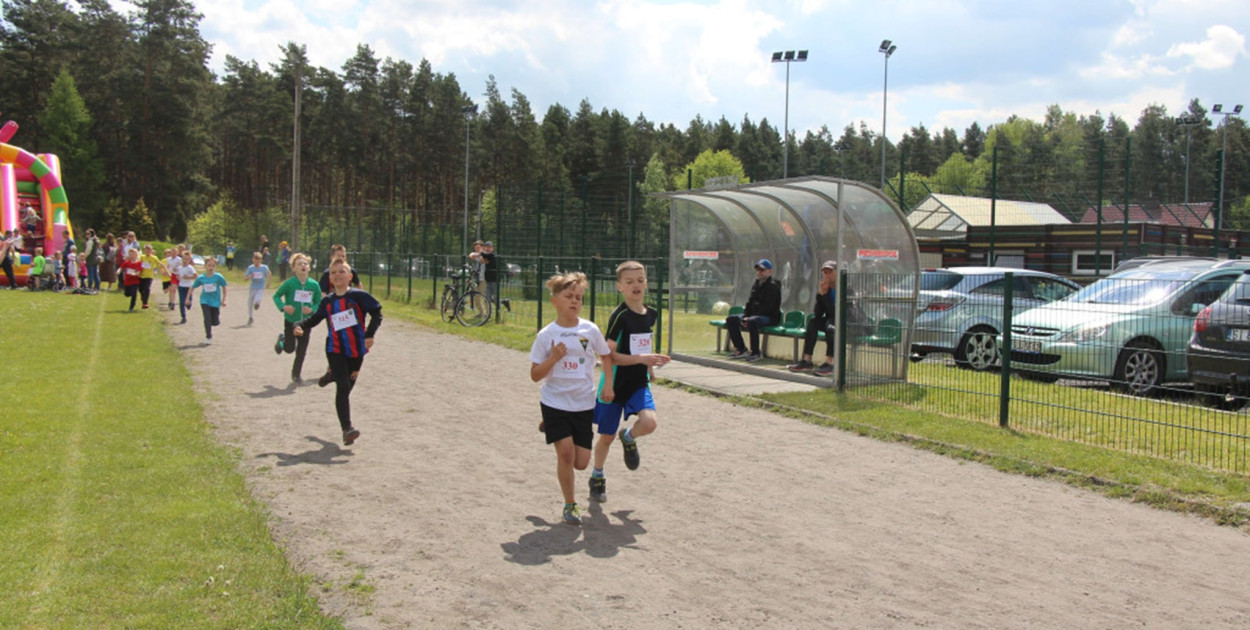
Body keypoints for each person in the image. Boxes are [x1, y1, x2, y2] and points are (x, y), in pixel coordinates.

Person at [528, 271, 614, 526]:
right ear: (555, 301)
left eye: (579, 297)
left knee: (580, 462)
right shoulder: (546, 335)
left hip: (584, 403)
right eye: (569, 296)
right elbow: (535, 375)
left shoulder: (590, 329)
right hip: (554, 402)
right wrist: (553, 358)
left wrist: (608, 383)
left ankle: (552, 429)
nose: (575, 301)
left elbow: (606, 356)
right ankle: (570, 505)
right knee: (565, 454)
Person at [589, 261, 670, 503]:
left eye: (640, 280)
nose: (636, 285)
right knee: (606, 437)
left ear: (646, 283)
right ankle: (597, 476)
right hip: (614, 383)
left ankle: (630, 437)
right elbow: (608, 354)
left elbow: (642, 344)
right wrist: (608, 385)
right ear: (619, 287)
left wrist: (649, 366)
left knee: (650, 423)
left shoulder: (651, 314)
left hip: (638, 382)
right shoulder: (620, 316)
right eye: (629, 281)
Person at [293, 259, 382, 446]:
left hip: (357, 350)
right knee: (343, 387)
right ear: (330, 278)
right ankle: (347, 429)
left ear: (350, 277)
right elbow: (316, 318)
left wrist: (370, 334)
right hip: (335, 348)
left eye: (342, 271)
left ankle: (332, 374)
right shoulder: (328, 301)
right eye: (334, 272)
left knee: (347, 389)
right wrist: (300, 325)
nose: (337, 275)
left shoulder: (358, 296)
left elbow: (377, 312)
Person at [271, 253, 321, 383]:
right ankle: (282, 339)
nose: (303, 265)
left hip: (305, 322)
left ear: (309, 267)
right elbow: (276, 296)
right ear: (294, 268)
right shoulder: (289, 283)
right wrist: (284, 307)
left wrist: (312, 310)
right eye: (299, 264)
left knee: (302, 350)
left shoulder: (314, 285)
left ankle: (296, 374)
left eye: (305, 263)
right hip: (291, 321)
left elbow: (318, 301)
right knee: (289, 349)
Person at [788, 260, 842, 377]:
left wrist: (826, 296)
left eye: (830, 272)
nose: (827, 275)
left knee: (831, 326)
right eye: (825, 272)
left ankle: (830, 363)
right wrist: (821, 294)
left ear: (837, 273)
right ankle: (807, 360)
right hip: (831, 320)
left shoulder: (844, 288)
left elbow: (837, 313)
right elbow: (818, 313)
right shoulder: (826, 289)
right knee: (813, 321)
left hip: (844, 322)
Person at [725, 258, 783, 362]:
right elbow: (750, 302)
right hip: (754, 315)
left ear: (769, 271)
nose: (759, 272)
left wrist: (750, 317)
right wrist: (745, 316)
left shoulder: (773, 286)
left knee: (752, 321)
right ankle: (741, 348)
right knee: (731, 319)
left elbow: (768, 307)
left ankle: (756, 352)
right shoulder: (757, 284)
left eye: (762, 270)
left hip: (770, 317)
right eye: (758, 270)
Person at [185, 257, 227, 344]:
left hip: (215, 302)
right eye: (209, 265)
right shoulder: (201, 278)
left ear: (215, 267)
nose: (211, 267)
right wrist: (187, 298)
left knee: (215, 322)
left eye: (213, 266)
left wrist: (224, 300)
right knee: (207, 319)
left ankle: (214, 321)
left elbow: (224, 287)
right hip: (205, 301)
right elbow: (192, 287)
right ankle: (208, 337)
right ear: (205, 266)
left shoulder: (218, 277)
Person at [137, 243, 169, 310]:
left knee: (147, 288)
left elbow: (161, 264)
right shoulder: (142, 257)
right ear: (144, 251)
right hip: (142, 275)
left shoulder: (154, 258)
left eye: (149, 251)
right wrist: (137, 272)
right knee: (140, 289)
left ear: (151, 251)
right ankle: (143, 296)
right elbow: (138, 264)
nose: (148, 252)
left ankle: (145, 303)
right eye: (146, 251)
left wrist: (166, 270)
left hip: (149, 275)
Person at [243, 251, 271, 326]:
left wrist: (268, 283)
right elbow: (245, 278)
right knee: (250, 303)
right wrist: (249, 277)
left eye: (258, 260)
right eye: (255, 260)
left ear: (261, 260)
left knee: (258, 298)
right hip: (253, 287)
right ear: (253, 260)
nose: (256, 262)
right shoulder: (251, 268)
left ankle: (257, 304)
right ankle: (250, 317)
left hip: (260, 286)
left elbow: (268, 274)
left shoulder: (264, 267)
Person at [175, 250, 198, 324]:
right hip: (181, 286)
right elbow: (178, 275)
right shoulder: (179, 268)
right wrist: (178, 277)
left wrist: (188, 277)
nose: (185, 261)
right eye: (184, 259)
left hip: (188, 287)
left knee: (187, 303)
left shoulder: (190, 268)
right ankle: (183, 317)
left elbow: (195, 276)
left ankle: (189, 304)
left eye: (187, 259)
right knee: (181, 302)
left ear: (189, 260)